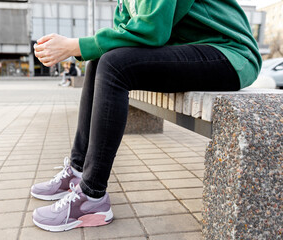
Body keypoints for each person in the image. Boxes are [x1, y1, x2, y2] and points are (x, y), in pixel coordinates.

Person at [31, 0, 262, 232]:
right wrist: (87, 47)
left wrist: (74, 45)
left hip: (229, 54)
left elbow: (152, 31)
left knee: (114, 66)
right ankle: (78, 170)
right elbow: (123, 35)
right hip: (191, 49)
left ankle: (91, 196)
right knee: (100, 57)